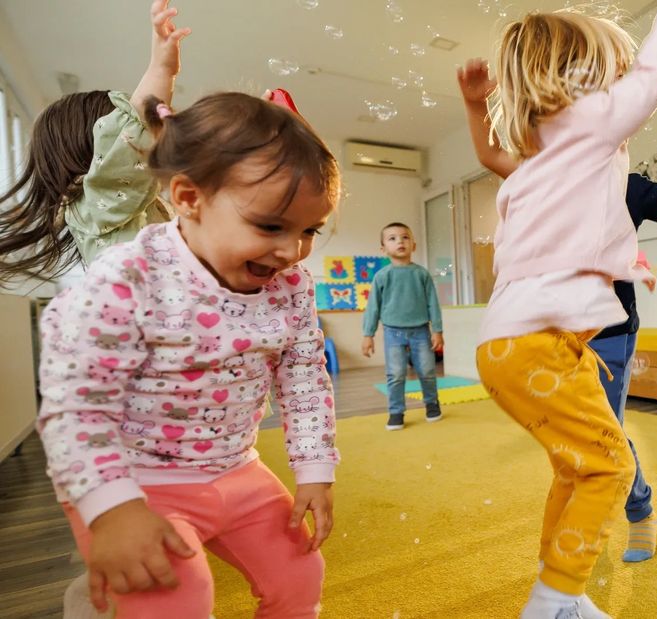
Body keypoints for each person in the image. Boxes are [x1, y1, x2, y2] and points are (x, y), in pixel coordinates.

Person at [458, 57, 657, 563]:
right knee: (569, 440)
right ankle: (580, 522)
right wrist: (477, 104)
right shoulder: (541, 178)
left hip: (608, 331)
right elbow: (491, 153)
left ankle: (638, 512)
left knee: (605, 432)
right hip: (550, 334)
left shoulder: (628, 186)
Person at [37, 90, 342, 616]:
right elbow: (76, 402)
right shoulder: (128, 276)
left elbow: (305, 375)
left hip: (234, 467)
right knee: (176, 593)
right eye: (270, 226)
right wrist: (111, 507)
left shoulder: (291, 285)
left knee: (300, 571)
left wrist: (315, 467)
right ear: (187, 197)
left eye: (309, 230)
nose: (292, 251)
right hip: (131, 475)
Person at [472, 1, 657, 616]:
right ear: (578, 80)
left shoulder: (531, 168)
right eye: (613, 73)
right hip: (541, 342)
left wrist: (474, 108)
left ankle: (561, 596)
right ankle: (552, 602)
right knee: (609, 467)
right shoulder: (592, 129)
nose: (625, 87)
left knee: (576, 470)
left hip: (506, 348)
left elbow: (497, 163)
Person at [0, 0, 190, 283]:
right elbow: (137, 120)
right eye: (119, 131)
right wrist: (162, 69)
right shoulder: (100, 203)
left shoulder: (116, 205)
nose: (149, 138)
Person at [361, 222, 445, 429]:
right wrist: (368, 334)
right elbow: (373, 307)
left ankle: (432, 405)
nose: (400, 241)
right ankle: (396, 412)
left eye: (405, 237)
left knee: (427, 370)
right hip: (393, 332)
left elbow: (433, 303)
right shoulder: (382, 276)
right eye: (392, 238)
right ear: (383, 249)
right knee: (395, 374)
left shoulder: (421, 274)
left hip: (421, 331)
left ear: (413, 245)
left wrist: (438, 330)